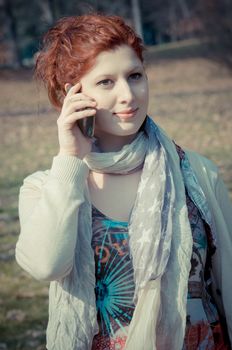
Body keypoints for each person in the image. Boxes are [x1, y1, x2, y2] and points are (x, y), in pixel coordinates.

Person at [15, 13, 232, 350]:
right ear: (70, 94)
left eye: (135, 76)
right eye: (106, 82)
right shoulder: (44, 188)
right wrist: (70, 158)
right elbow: (46, 265)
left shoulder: (197, 175)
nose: (128, 95)